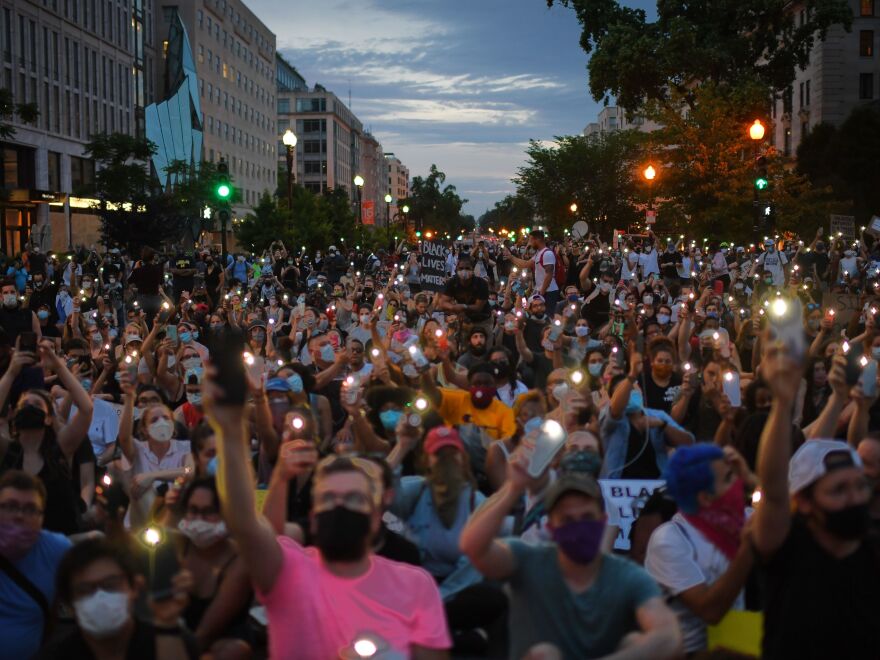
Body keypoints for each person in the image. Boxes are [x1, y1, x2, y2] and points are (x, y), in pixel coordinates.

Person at [203, 377, 452, 659]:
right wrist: (229, 431)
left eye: (354, 499)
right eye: (329, 498)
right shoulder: (288, 570)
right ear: (314, 514)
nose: (341, 507)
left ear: (377, 511)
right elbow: (246, 523)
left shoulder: (415, 585)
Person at [460, 462, 682, 658]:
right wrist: (513, 488)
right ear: (550, 527)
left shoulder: (626, 576)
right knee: (545, 654)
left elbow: (669, 635)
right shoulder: (528, 560)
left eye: (586, 517)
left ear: (603, 521)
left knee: (634, 642)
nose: (578, 527)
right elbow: (473, 546)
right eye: (568, 520)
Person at [752, 344, 880, 659]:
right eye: (837, 491)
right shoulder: (789, 546)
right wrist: (782, 403)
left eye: (858, 486)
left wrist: (855, 405)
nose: (853, 498)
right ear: (806, 503)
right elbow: (774, 485)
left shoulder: (872, 551)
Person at [645, 445, 757, 654]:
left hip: (735, 647)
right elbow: (710, 610)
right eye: (729, 478)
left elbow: (787, 518)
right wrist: (747, 546)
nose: (738, 483)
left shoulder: (742, 520)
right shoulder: (670, 541)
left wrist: (752, 480)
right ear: (705, 497)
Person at [40, 536, 197, 660]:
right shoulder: (54, 656)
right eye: (85, 589)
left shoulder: (175, 642)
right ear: (70, 603)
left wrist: (167, 622)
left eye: (111, 584)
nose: (100, 597)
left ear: (134, 587)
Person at [0, 471, 72, 660]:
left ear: (42, 517)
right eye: (10, 506)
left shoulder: (57, 550)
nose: (19, 516)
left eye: (30, 509)